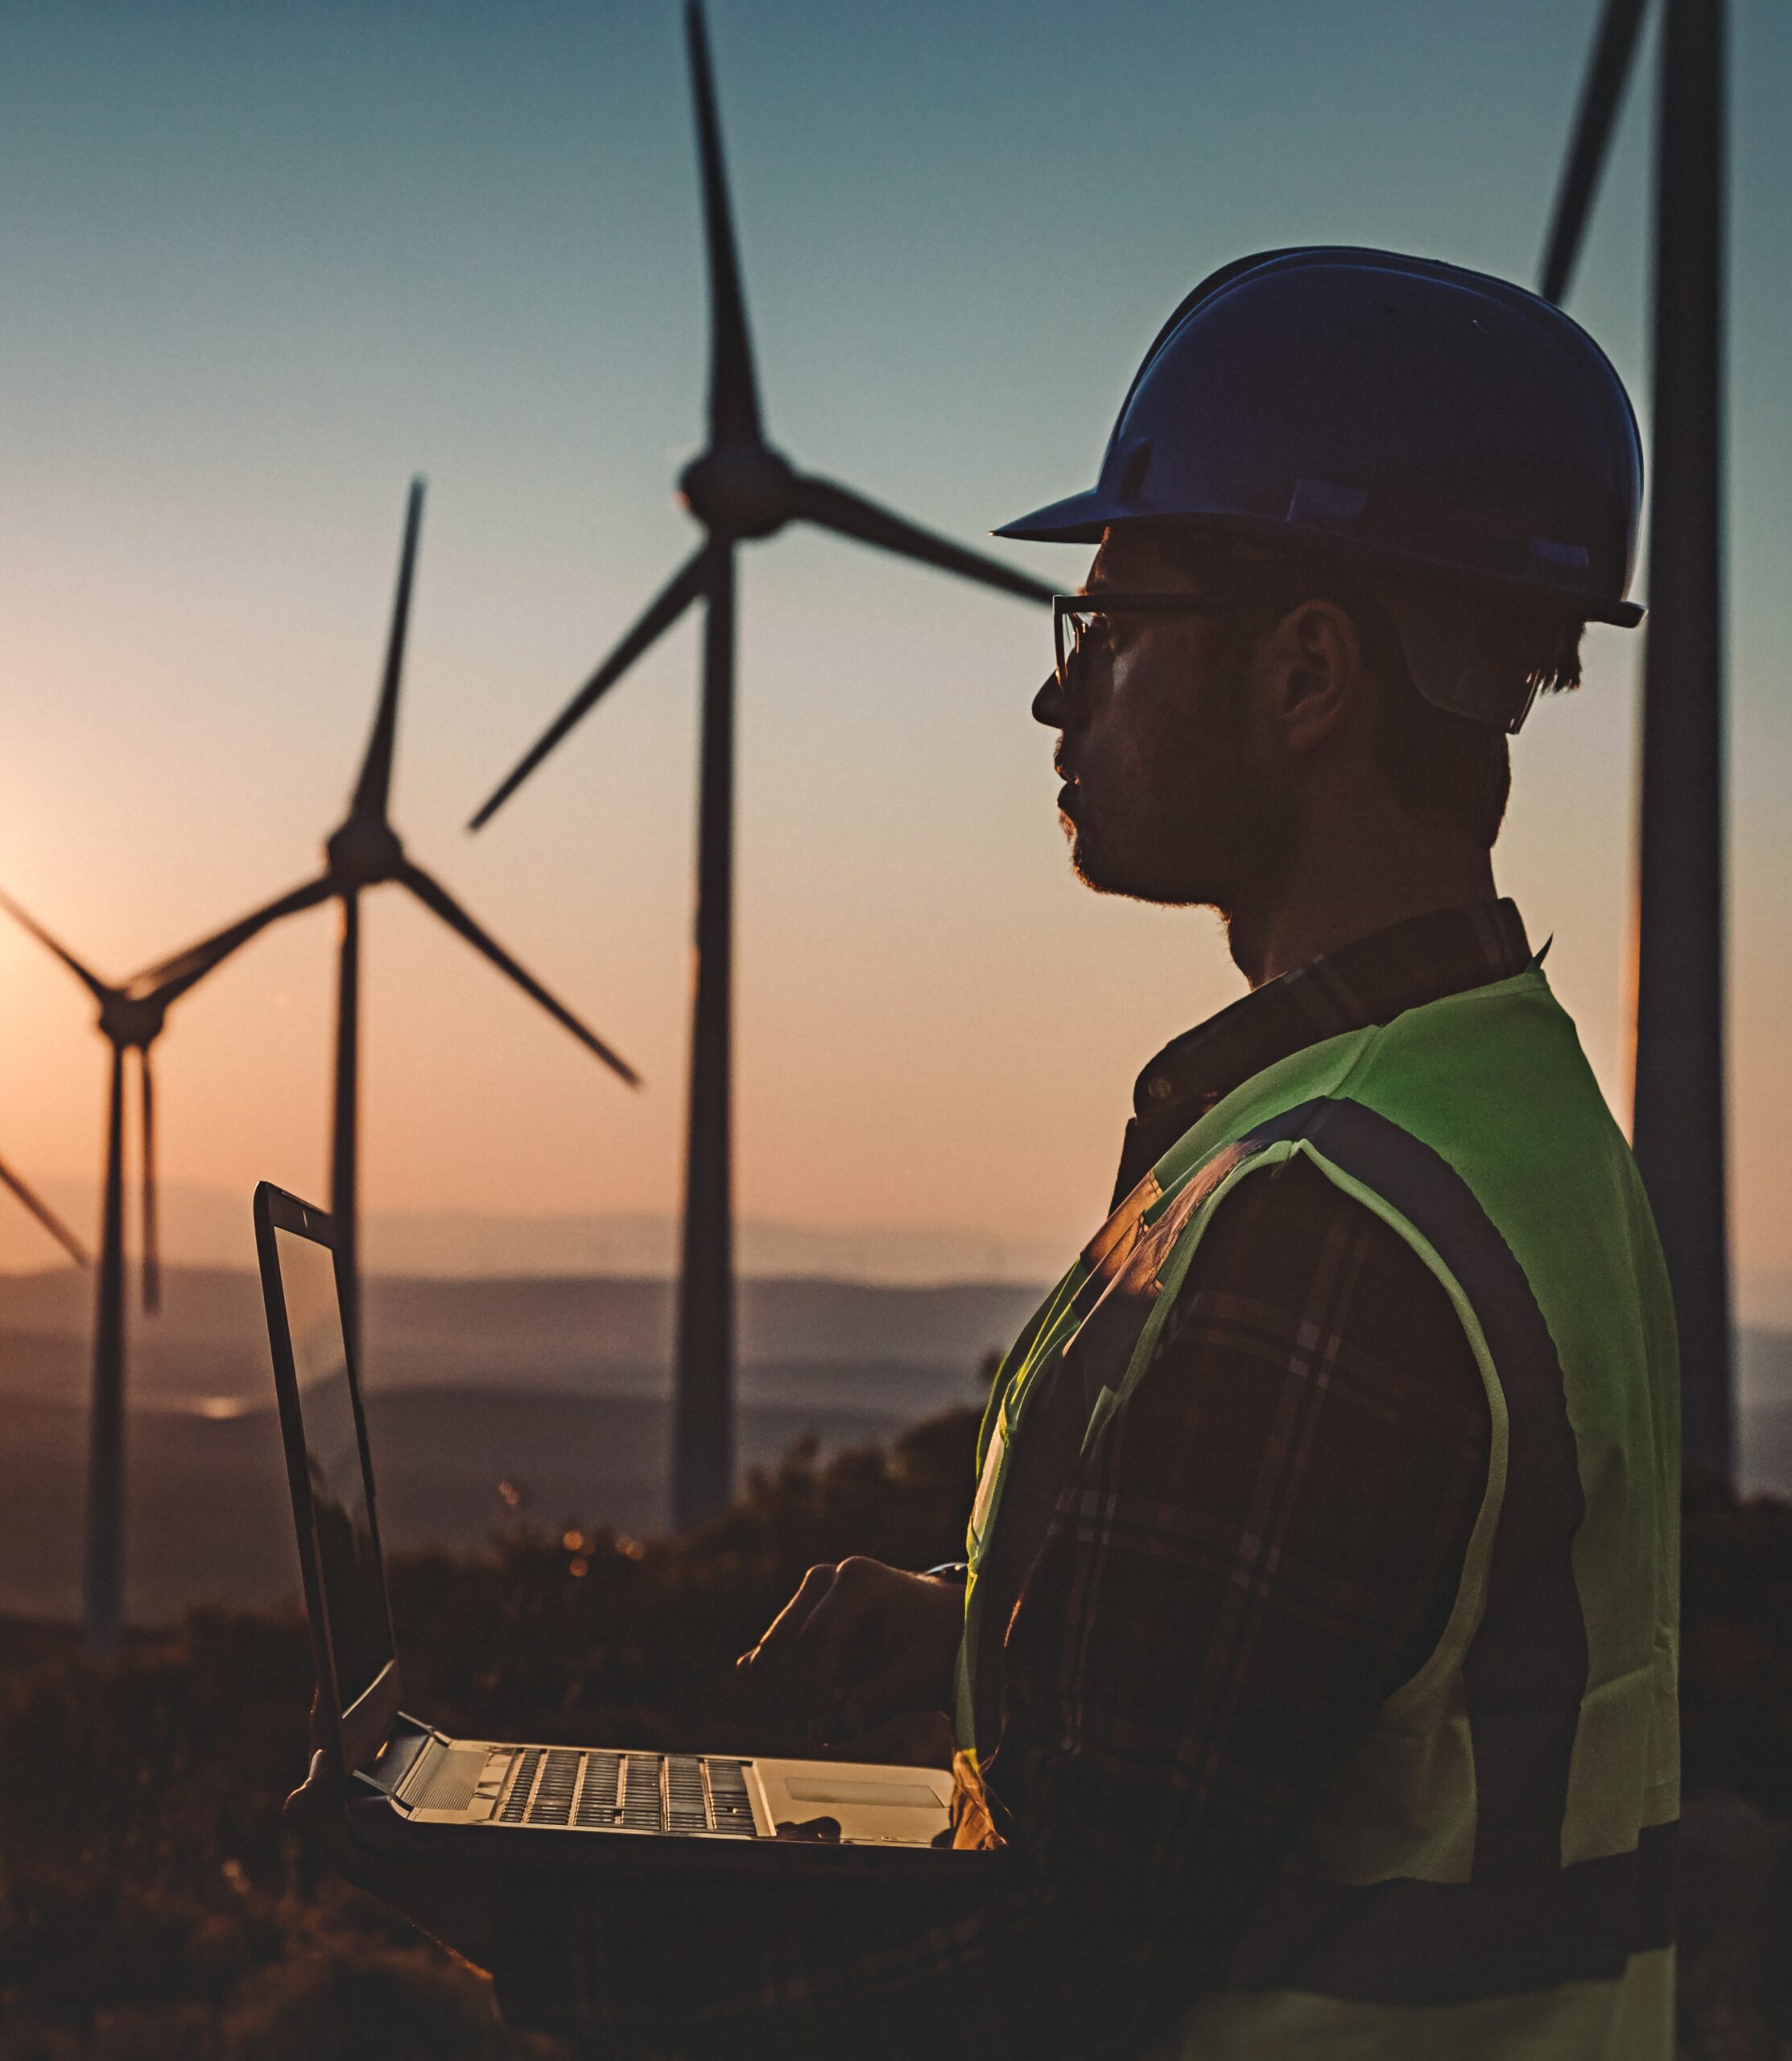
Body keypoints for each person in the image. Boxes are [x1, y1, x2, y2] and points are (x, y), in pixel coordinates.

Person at [291, 248, 1681, 2059]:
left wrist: (539, 1937)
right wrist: (988, 1629)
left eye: (1107, 627)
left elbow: (1057, 1960)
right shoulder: (1507, 1108)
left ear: (1311, 675)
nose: (1059, 698)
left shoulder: (1332, 1218)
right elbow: (1363, 1675)